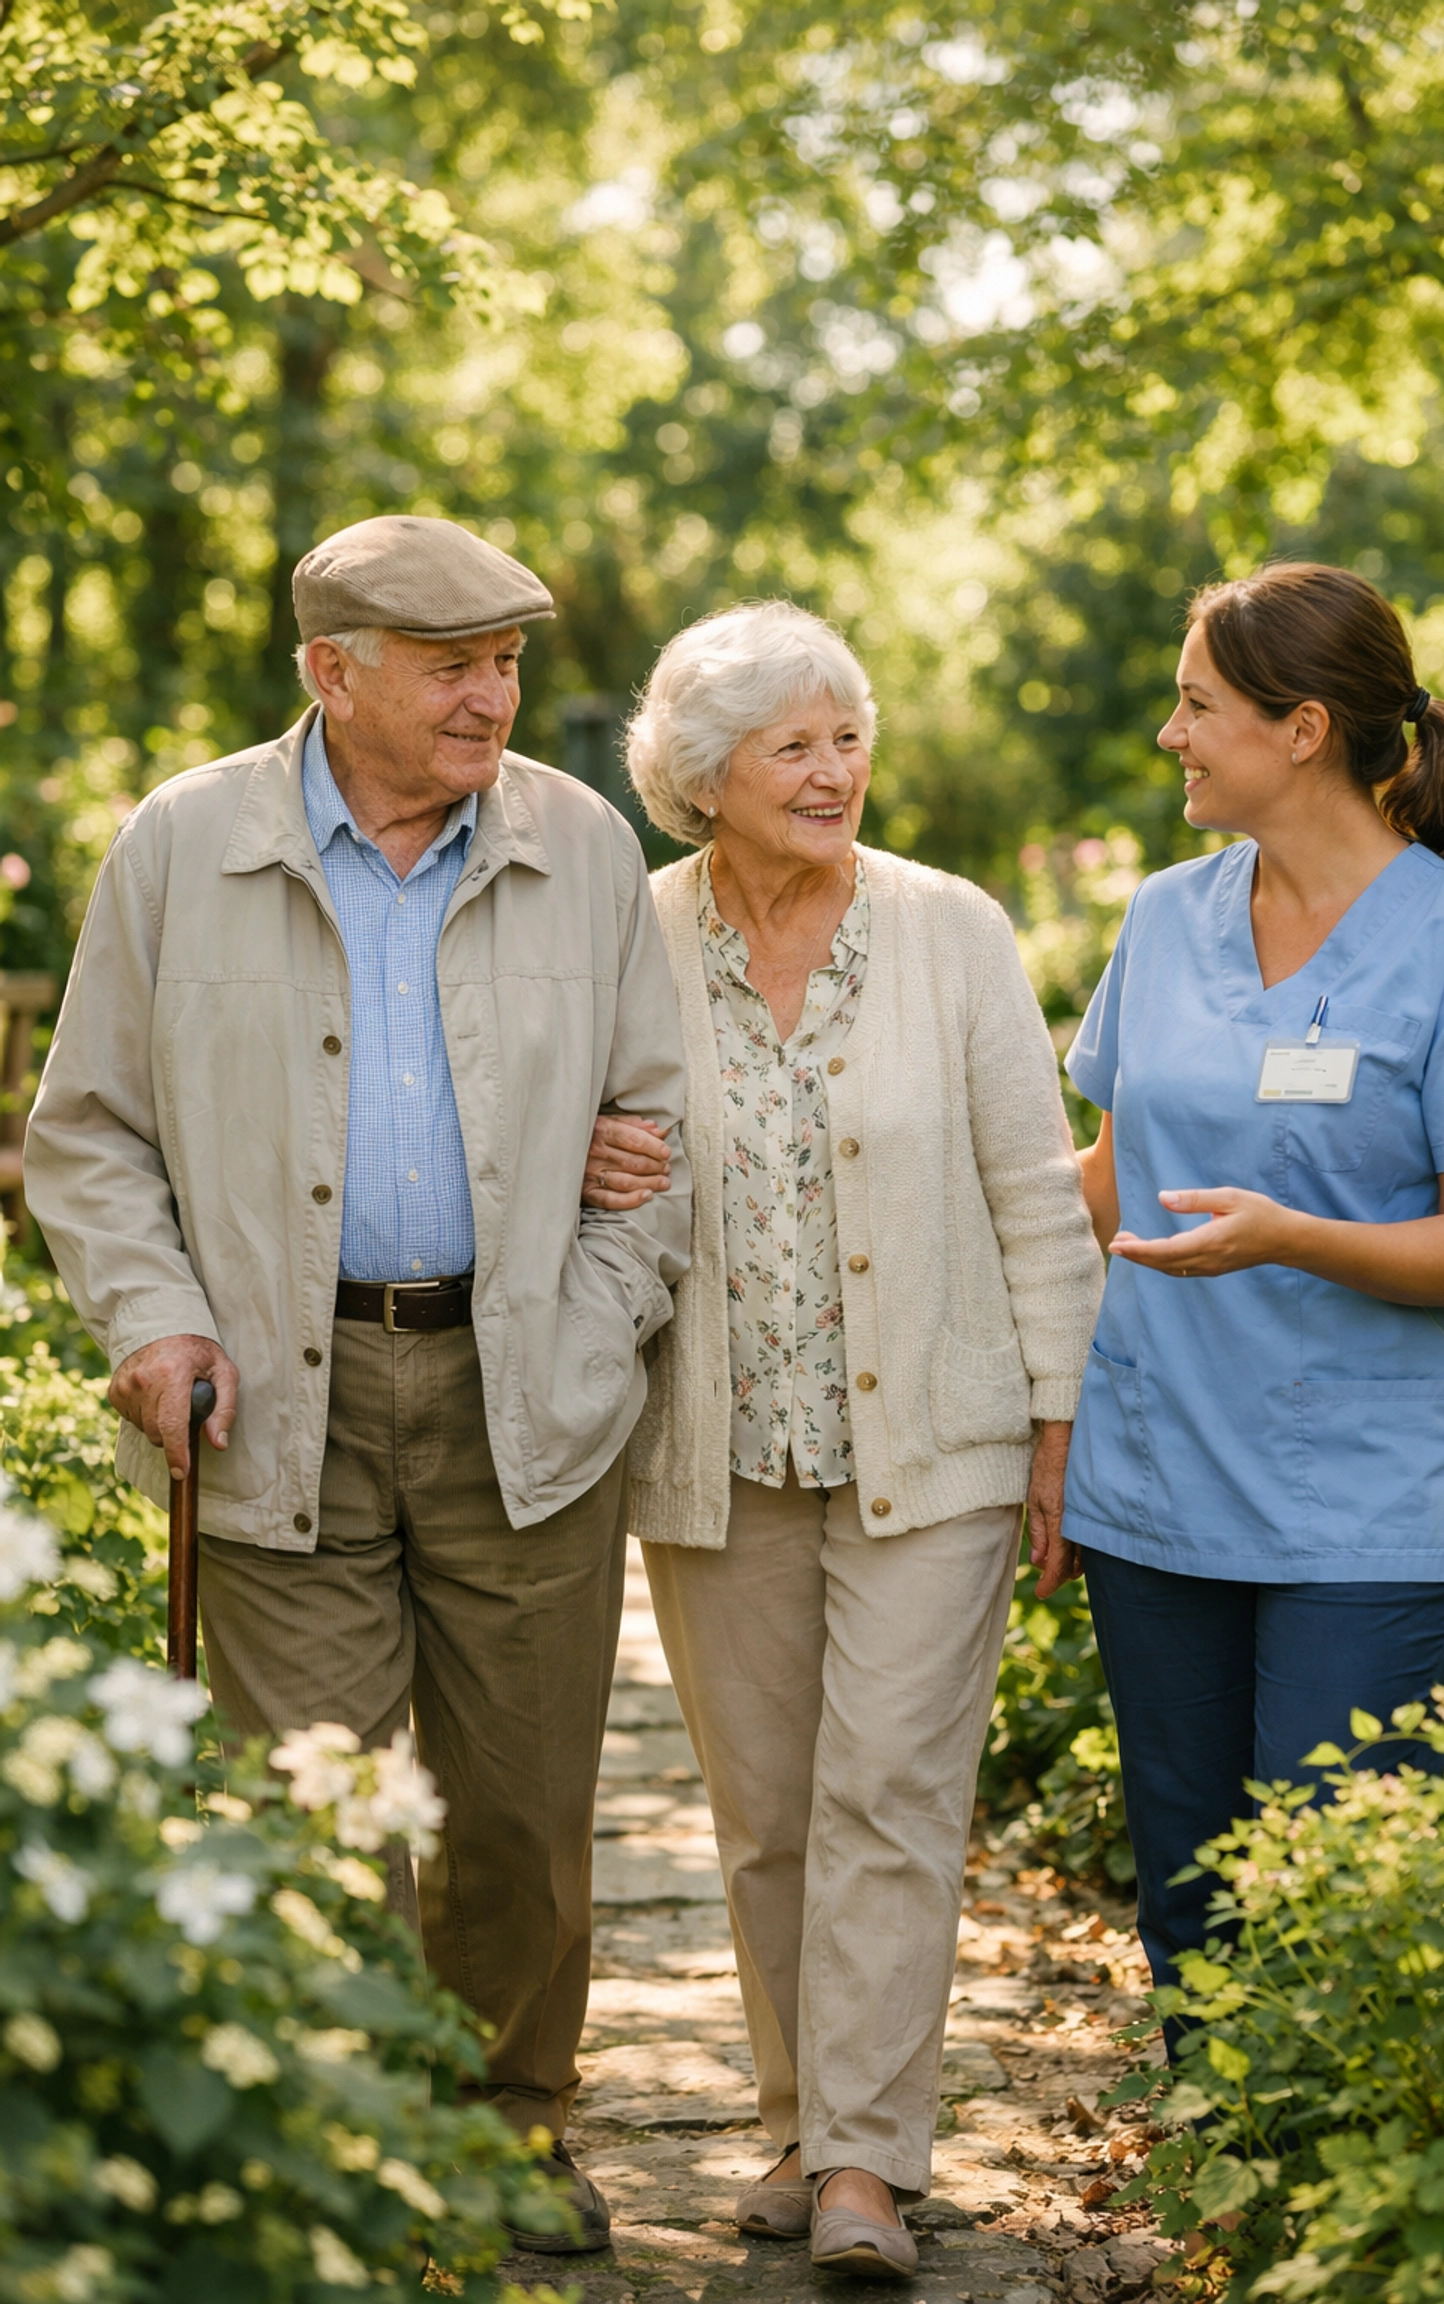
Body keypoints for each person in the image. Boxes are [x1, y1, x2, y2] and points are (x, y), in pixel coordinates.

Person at [25, 513, 692, 2253]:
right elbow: (87, 1137)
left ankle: (510, 2127)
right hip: (277, 1392)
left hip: (523, 1392)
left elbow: (660, 1131)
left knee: (528, 1818)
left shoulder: (584, 845)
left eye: (509, 663)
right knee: (317, 1804)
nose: (497, 697)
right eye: (454, 665)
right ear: (334, 674)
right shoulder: (184, 843)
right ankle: (355, 2137)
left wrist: (603, 1318)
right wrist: (156, 1323)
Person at [583, 601, 1102, 2278]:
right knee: (768, 1812)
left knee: (891, 1788)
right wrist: (591, 1160)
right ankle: (801, 2122)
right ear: (699, 775)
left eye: (848, 736)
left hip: (934, 1441)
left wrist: (1056, 1418)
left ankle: (869, 2165)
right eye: (793, 745)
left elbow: (1035, 1192)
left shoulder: (952, 931)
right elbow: (554, 1132)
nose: (835, 770)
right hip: (714, 1446)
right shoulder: (627, 936)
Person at [1061, 561, 1444, 2011]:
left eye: (1198, 704)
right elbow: (1103, 1178)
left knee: (1331, 1894)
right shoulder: (1163, 917)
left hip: (1369, 1513)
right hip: (1160, 1485)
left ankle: (1310, 2227)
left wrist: (1294, 1235)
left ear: (1304, 727)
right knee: (1194, 1891)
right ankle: (1218, 2196)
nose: (1170, 734)